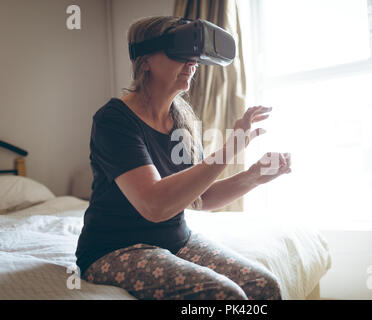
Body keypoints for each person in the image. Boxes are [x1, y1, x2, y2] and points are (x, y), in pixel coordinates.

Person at [75, 16, 292, 300]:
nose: (192, 63)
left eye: (194, 56)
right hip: (115, 250)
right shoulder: (114, 120)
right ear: (145, 60)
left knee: (264, 286)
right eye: (180, 53)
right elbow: (154, 204)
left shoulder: (182, 120)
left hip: (177, 242)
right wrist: (231, 146)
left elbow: (200, 198)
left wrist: (252, 177)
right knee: (225, 295)